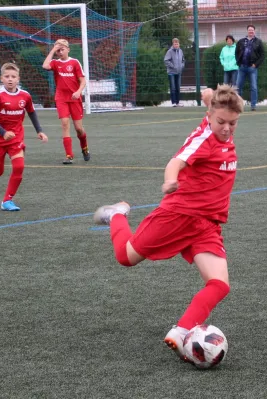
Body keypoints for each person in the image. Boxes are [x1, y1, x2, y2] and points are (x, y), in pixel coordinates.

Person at [92, 85, 243, 363]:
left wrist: (209, 96)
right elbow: (176, 161)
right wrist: (169, 179)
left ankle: (182, 329)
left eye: (232, 123)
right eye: (221, 122)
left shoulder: (218, 119)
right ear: (209, 117)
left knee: (220, 284)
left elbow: (216, 104)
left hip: (207, 224)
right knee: (125, 257)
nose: (226, 128)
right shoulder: (203, 138)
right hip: (178, 216)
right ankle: (117, 215)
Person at [0, 62, 48, 211]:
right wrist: (3, 132)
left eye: (13, 76)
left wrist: (39, 130)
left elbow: (31, 112)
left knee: (19, 167)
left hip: (16, 138)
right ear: (1, 78)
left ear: (18, 79)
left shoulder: (25, 96)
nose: (10, 79)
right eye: (7, 76)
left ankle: (7, 201)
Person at [42, 39, 90, 165]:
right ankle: (69, 155)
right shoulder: (55, 63)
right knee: (64, 123)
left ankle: (84, 147)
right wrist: (53, 50)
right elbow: (45, 66)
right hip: (61, 98)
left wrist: (79, 91)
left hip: (74, 98)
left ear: (68, 49)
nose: (60, 51)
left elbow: (83, 81)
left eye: (62, 49)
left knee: (79, 129)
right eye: (58, 50)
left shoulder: (74, 62)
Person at [235, 25, 264, 111]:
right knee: (238, 87)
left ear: (254, 31)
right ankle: (238, 105)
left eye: (252, 30)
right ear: (247, 31)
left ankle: (253, 105)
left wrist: (256, 65)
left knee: (254, 87)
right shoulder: (241, 41)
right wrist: (238, 63)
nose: (251, 32)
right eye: (249, 30)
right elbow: (236, 53)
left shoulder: (258, 42)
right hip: (242, 68)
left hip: (252, 68)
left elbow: (262, 55)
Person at [164, 38, 185, 107]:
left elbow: (183, 60)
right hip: (171, 72)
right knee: (173, 88)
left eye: (177, 44)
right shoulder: (169, 51)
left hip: (178, 72)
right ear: (173, 44)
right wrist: (172, 66)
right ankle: (173, 103)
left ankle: (178, 102)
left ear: (179, 44)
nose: (176, 45)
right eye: (175, 44)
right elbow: (166, 60)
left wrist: (182, 66)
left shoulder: (181, 51)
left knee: (178, 87)